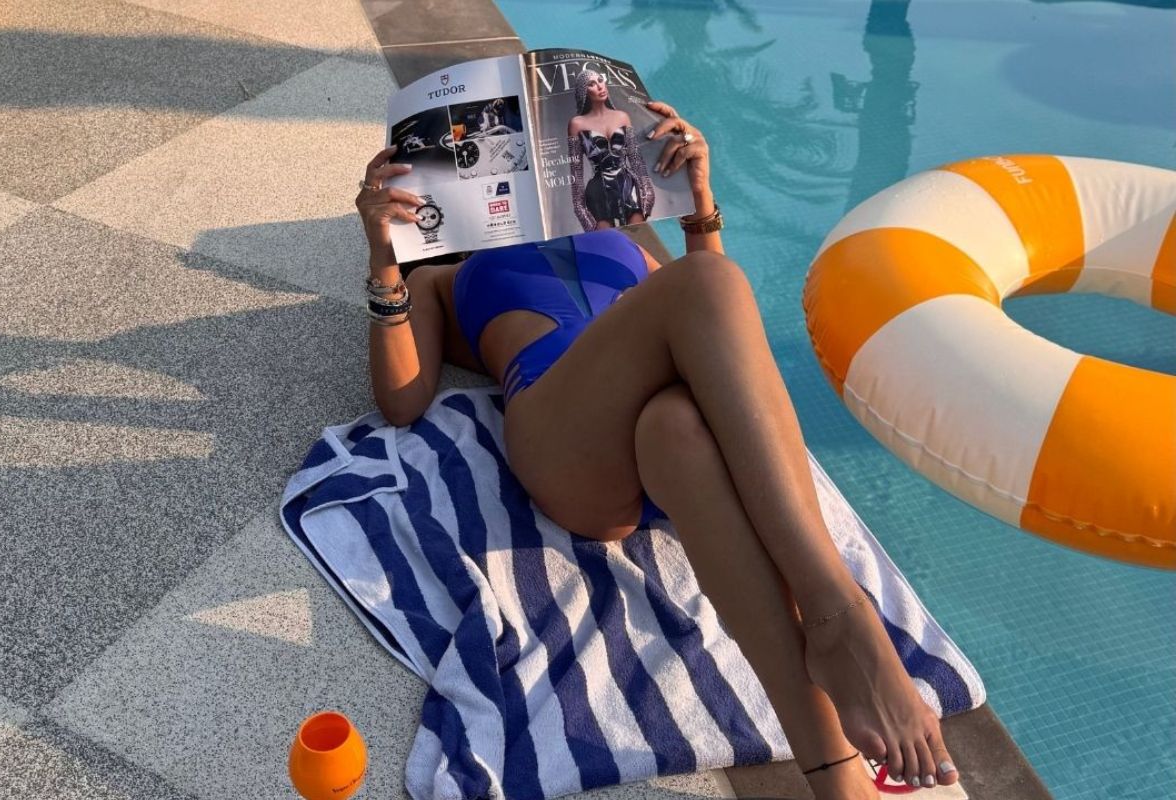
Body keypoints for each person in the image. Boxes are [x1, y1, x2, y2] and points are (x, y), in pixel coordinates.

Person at [354, 98, 959, 800]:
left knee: (679, 424)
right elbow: (401, 402)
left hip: (663, 445)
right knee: (704, 282)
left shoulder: (611, 229)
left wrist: (699, 198)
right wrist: (383, 254)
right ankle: (838, 614)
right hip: (565, 439)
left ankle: (834, 775)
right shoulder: (442, 277)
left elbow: (724, 339)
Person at [567, 69, 655, 231]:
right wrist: (581, 211)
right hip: (598, 191)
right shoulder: (576, 124)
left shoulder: (622, 116)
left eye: (600, 80)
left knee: (639, 235)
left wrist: (648, 193)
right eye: (591, 84)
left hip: (628, 185)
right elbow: (576, 175)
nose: (599, 86)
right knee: (607, 241)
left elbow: (636, 160)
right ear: (583, 92)